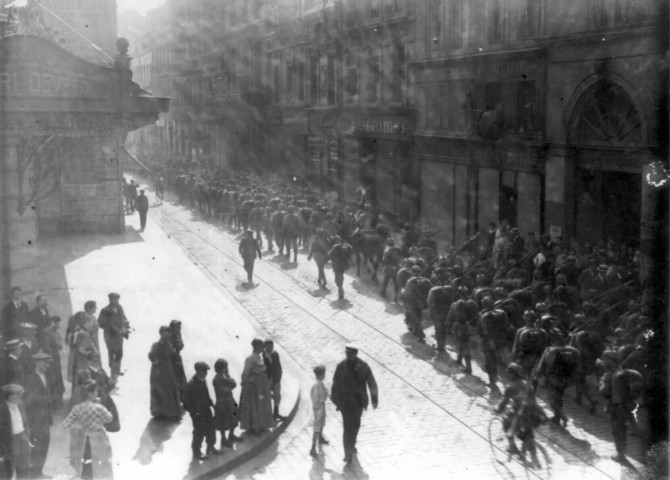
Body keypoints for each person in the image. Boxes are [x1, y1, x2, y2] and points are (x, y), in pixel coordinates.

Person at [331, 344, 378, 464]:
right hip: (346, 404)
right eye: (347, 353)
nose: (348, 356)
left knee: (356, 426)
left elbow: (371, 381)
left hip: (358, 403)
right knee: (347, 428)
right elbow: (335, 384)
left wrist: (374, 398)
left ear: (356, 354)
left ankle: (352, 445)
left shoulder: (363, 366)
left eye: (351, 354)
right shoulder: (341, 366)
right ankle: (348, 454)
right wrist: (338, 402)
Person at [495, 363, 546, 467]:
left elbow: (503, 402)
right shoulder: (528, 385)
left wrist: (497, 409)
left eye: (509, 373)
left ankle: (513, 448)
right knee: (528, 434)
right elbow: (533, 401)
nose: (507, 375)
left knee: (506, 422)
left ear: (513, 374)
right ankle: (531, 457)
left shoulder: (510, 387)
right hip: (532, 414)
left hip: (519, 415)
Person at [598, 350, 644, 464]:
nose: (603, 362)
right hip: (631, 404)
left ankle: (621, 455)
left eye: (604, 359)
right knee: (632, 424)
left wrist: (602, 381)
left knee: (617, 430)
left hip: (617, 407)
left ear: (608, 361)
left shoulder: (609, 375)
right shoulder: (629, 373)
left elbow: (604, 391)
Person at [62, 381, 114, 479]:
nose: (97, 394)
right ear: (90, 394)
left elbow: (66, 424)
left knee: (86, 465)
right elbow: (109, 418)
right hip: (98, 440)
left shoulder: (77, 408)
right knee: (101, 465)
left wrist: (80, 426)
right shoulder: (99, 408)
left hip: (84, 440)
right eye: (95, 392)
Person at [182, 362, 222, 460]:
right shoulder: (191, 385)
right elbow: (187, 402)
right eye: (204, 371)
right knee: (199, 432)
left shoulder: (203, 380)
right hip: (197, 413)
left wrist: (211, 404)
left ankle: (210, 447)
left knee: (211, 428)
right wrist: (195, 414)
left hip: (206, 409)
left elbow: (206, 394)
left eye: (206, 371)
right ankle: (197, 452)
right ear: (198, 371)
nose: (206, 373)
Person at [24, 352, 53, 479]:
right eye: (45, 363)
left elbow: (48, 398)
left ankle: (39, 471)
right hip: (35, 419)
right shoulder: (30, 379)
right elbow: (30, 400)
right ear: (38, 363)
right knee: (36, 445)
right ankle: (34, 473)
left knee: (45, 444)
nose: (48, 365)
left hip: (45, 418)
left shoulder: (46, 376)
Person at [239, 339, 274, 435]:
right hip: (253, 385)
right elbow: (246, 372)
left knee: (261, 405)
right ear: (257, 347)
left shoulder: (259, 357)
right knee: (254, 406)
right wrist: (243, 381)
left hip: (261, 384)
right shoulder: (250, 359)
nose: (263, 348)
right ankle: (254, 428)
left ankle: (261, 425)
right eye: (262, 346)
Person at [148, 326, 182, 419]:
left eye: (168, 332)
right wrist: (155, 360)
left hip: (168, 370)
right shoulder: (156, 345)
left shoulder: (169, 345)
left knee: (170, 390)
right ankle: (160, 413)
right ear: (161, 334)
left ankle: (172, 413)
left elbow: (174, 355)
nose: (167, 334)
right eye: (165, 333)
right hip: (158, 372)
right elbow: (151, 355)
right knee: (161, 391)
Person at [0, 384, 31, 479]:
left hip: (22, 436)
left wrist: (27, 433)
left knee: (24, 463)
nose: (20, 396)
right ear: (10, 396)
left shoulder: (20, 404)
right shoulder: (2, 409)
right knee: (10, 464)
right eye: (17, 394)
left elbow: (24, 419)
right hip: (11, 439)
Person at [97, 293, 130, 380]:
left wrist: (125, 324)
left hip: (119, 335)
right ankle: (113, 371)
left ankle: (117, 369)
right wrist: (110, 327)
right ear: (110, 300)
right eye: (113, 299)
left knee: (119, 353)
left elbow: (123, 318)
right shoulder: (105, 310)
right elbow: (100, 323)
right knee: (111, 352)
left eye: (116, 299)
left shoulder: (119, 308)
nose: (115, 301)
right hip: (109, 335)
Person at [212, 359, 242, 449]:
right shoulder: (218, 378)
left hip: (229, 401)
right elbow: (230, 386)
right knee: (223, 421)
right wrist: (228, 380)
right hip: (222, 402)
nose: (227, 368)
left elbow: (233, 385)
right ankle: (223, 439)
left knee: (233, 418)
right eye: (226, 367)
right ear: (222, 368)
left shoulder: (223, 376)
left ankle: (231, 435)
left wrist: (228, 378)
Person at [309, 365, 329, 458]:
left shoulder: (320, 383)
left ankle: (320, 438)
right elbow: (315, 400)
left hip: (322, 408)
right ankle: (312, 448)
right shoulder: (315, 385)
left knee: (321, 424)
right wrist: (323, 398)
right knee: (317, 427)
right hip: (318, 410)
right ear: (320, 374)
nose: (324, 375)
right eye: (323, 373)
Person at [263, 339, 284, 421]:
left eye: (272, 346)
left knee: (277, 396)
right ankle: (267, 415)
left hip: (276, 378)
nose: (270, 348)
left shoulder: (275, 354)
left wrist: (280, 374)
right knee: (267, 396)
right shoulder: (262, 356)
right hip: (267, 379)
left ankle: (276, 413)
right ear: (265, 347)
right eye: (268, 347)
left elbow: (278, 365)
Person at [328, 236, 354, 300]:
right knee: (341, 276)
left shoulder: (335, 247)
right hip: (343, 265)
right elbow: (350, 257)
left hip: (337, 265)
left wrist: (332, 260)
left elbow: (330, 255)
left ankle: (341, 291)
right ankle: (341, 289)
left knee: (337, 279)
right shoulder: (346, 247)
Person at [169, 320, 187, 398]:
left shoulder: (178, 334)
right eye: (177, 327)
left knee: (181, 378)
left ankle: (183, 396)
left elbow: (181, 345)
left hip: (178, 358)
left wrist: (177, 345)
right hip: (171, 360)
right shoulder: (169, 336)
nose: (179, 329)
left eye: (179, 327)